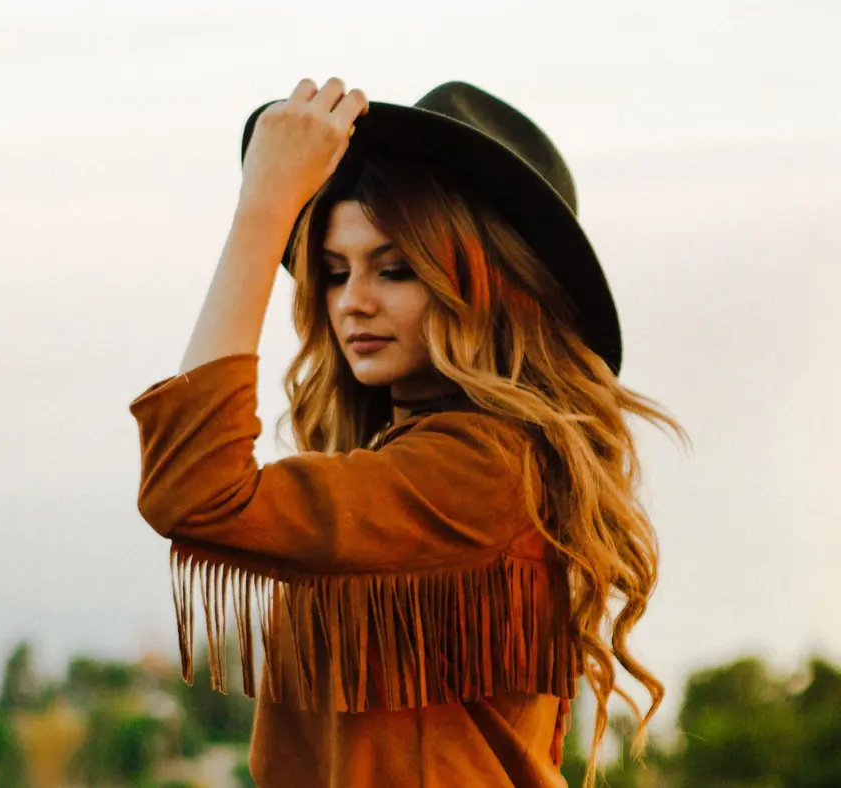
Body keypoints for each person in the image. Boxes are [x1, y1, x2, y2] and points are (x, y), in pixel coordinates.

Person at [128, 77, 684, 788]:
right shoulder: (417, 462)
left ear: (490, 285)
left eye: (394, 269)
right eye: (332, 272)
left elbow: (193, 488)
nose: (353, 302)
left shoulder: (481, 469)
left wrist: (264, 208)